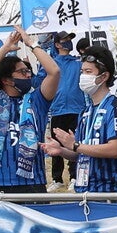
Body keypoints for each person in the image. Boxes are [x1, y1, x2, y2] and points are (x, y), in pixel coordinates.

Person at [0, 27, 61, 194]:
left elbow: (54, 72)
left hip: (33, 182)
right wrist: (6, 48)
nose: (28, 75)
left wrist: (31, 44)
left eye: (28, 71)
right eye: (22, 71)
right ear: (7, 80)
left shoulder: (37, 100)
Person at [44, 43, 117, 193]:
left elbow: (114, 149)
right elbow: (81, 153)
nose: (83, 76)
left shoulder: (116, 109)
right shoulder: (86, 112)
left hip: (108, 191)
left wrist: (75, 145)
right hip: (83, 190)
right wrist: (61, 150)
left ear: (104, 76)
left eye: (88, 72)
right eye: (82, 71)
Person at [46, 34, 85, 186]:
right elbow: (39, 82)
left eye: (70, 40)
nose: (68, 42)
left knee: (74, 143)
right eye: (65, 40)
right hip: (57, 109)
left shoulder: (78, 63)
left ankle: (74, 176)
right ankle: (57, 179)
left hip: (77, 109)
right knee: (55, 144)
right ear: (57, 45)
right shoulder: (51, 63)